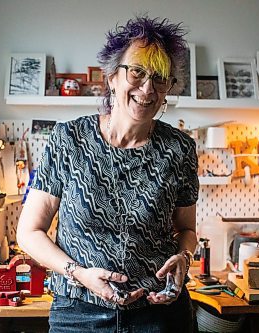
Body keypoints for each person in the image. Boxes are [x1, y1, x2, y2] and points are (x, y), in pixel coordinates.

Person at [17, 15, 199, 333]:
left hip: (159, 316)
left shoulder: (179, 149)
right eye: (137, 72)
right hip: (79, 314)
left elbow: (186, 230)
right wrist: (78, 272)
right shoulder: (68, 140)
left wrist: (184, 257)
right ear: (113, 76)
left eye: (160, 78)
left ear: (168, 88)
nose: (147, 88)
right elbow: (29, 232)